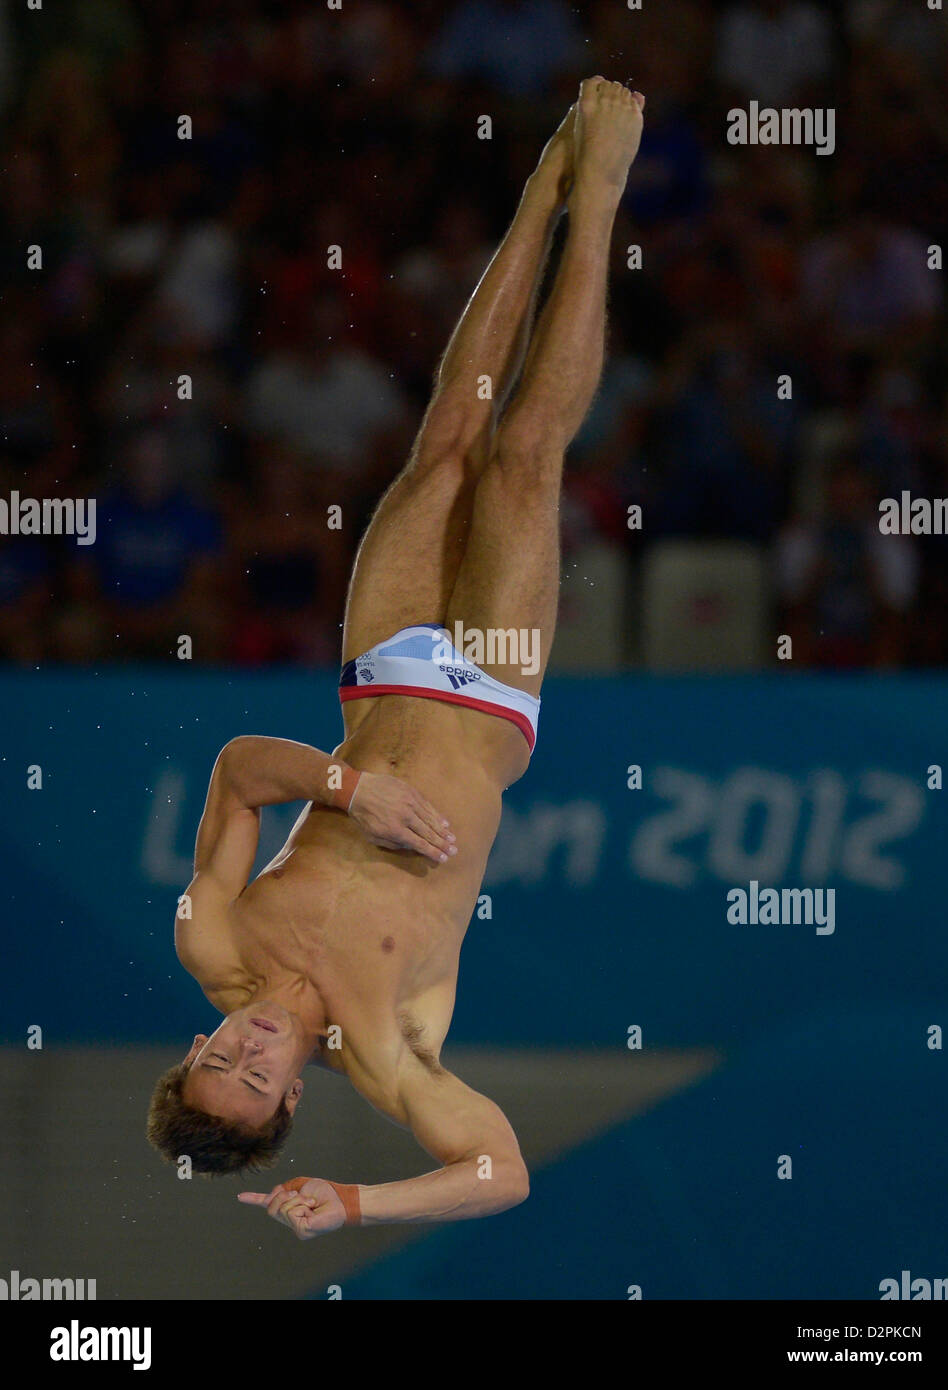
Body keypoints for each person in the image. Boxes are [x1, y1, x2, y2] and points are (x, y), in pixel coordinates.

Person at [147, 79, 645, 1235]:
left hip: (384, 672)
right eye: (260, 1073)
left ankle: (540, 197)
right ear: (285, 1105)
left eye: (222, 1049)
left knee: (449, 440)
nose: (253, 1040)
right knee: (524, 455)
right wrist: (366, 1202)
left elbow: (234, 768)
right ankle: (603, 202)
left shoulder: (212, 940)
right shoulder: (391, 1046)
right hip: (492, 696)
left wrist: (349, 784)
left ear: (198, 1040)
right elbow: (501, 1169)